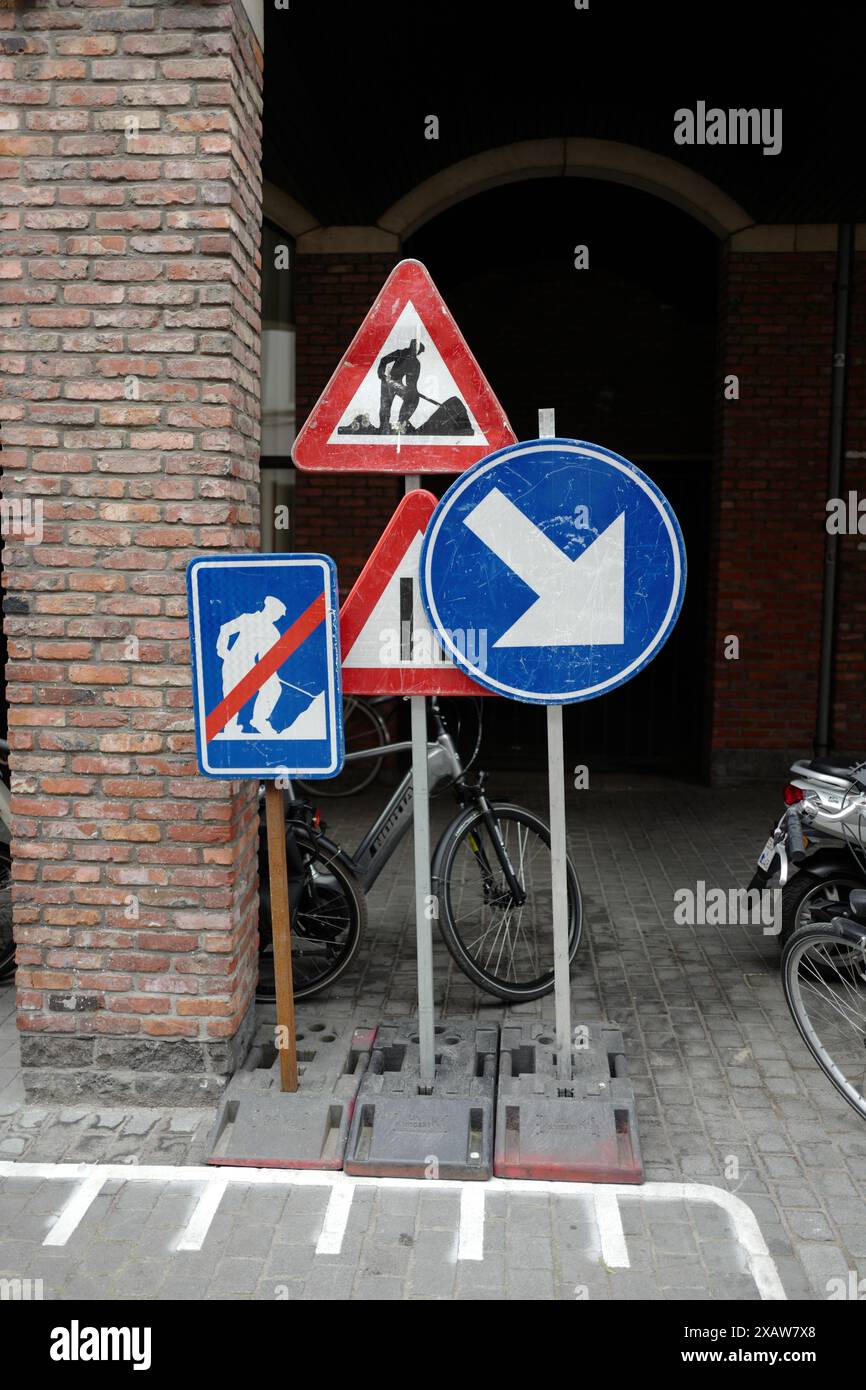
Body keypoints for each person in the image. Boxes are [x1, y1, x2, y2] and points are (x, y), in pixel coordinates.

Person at [215, 595, 287, 737]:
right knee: (232, 695)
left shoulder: (273, 633)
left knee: (273, 687)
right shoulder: (249, 619)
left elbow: (265, 658)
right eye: (278, 614)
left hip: (250, 666)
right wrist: (222, 650)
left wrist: (271, 674)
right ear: (271, 610)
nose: (278, 618)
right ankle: (230, 728)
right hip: (233, 663)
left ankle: (259, 720)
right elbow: (225, 629)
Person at [377, 340, 424, 432]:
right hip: (388, 381)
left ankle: (401, 423)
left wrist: (413, 392)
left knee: (413, 398)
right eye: (417, 351)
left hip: (398, 384)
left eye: (419, 352)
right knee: (386, 404)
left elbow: (412, 383)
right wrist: (381, 373)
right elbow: (384, 360)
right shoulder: (400, 353)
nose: (417, 353)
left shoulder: (416, 363)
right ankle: (384, 426)